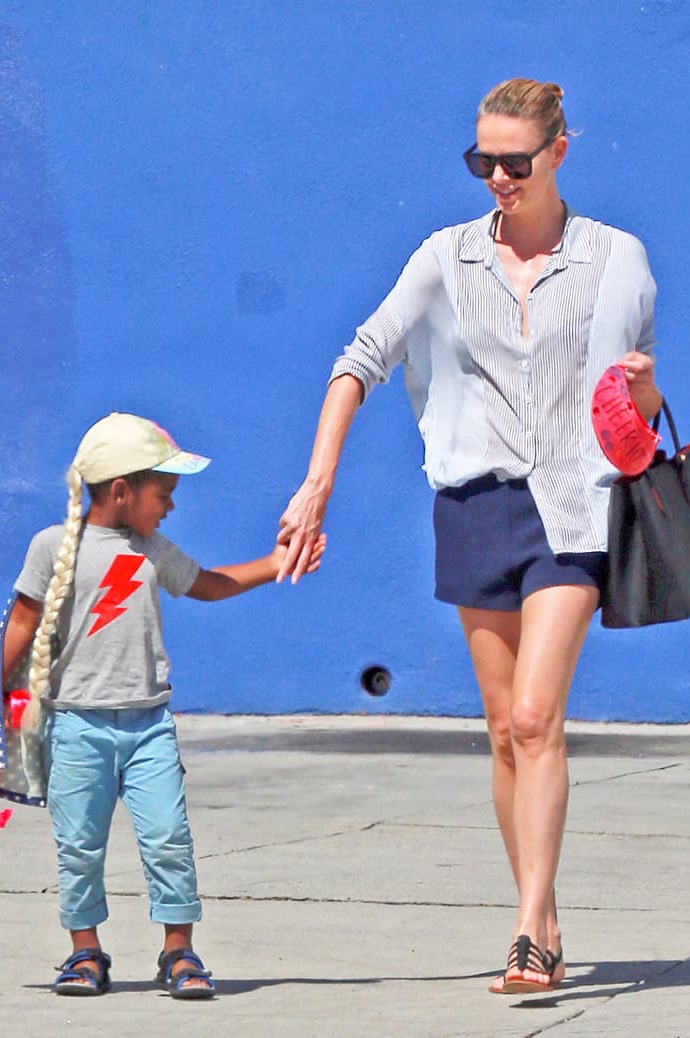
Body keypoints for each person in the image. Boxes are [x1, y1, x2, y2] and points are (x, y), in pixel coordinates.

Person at [277, 78, 661, 994]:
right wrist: (316, 482)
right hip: (472, 507)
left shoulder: (618, 261)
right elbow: (359, 360)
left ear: (559, 153)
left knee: (536, 717)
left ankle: (528, 930)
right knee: (500, 732)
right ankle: (549, 911)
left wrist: (644, 394)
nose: (496, 177)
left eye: (514, 162)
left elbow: (632, 404)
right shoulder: (445, 260)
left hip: (573, 508)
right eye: (481, 160)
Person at [3, 411, 325, 999]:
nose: (171, 505)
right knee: (78, 843)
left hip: (149, 727)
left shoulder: (153, 550)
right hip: (77, 726)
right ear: (122, 492)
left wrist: (276, 563)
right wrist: (4, 693)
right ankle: (85, 954)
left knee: (168, 838)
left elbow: (209, 583)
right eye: (164, 493)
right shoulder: (53, 547)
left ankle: (179, 952)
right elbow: (23, 622)